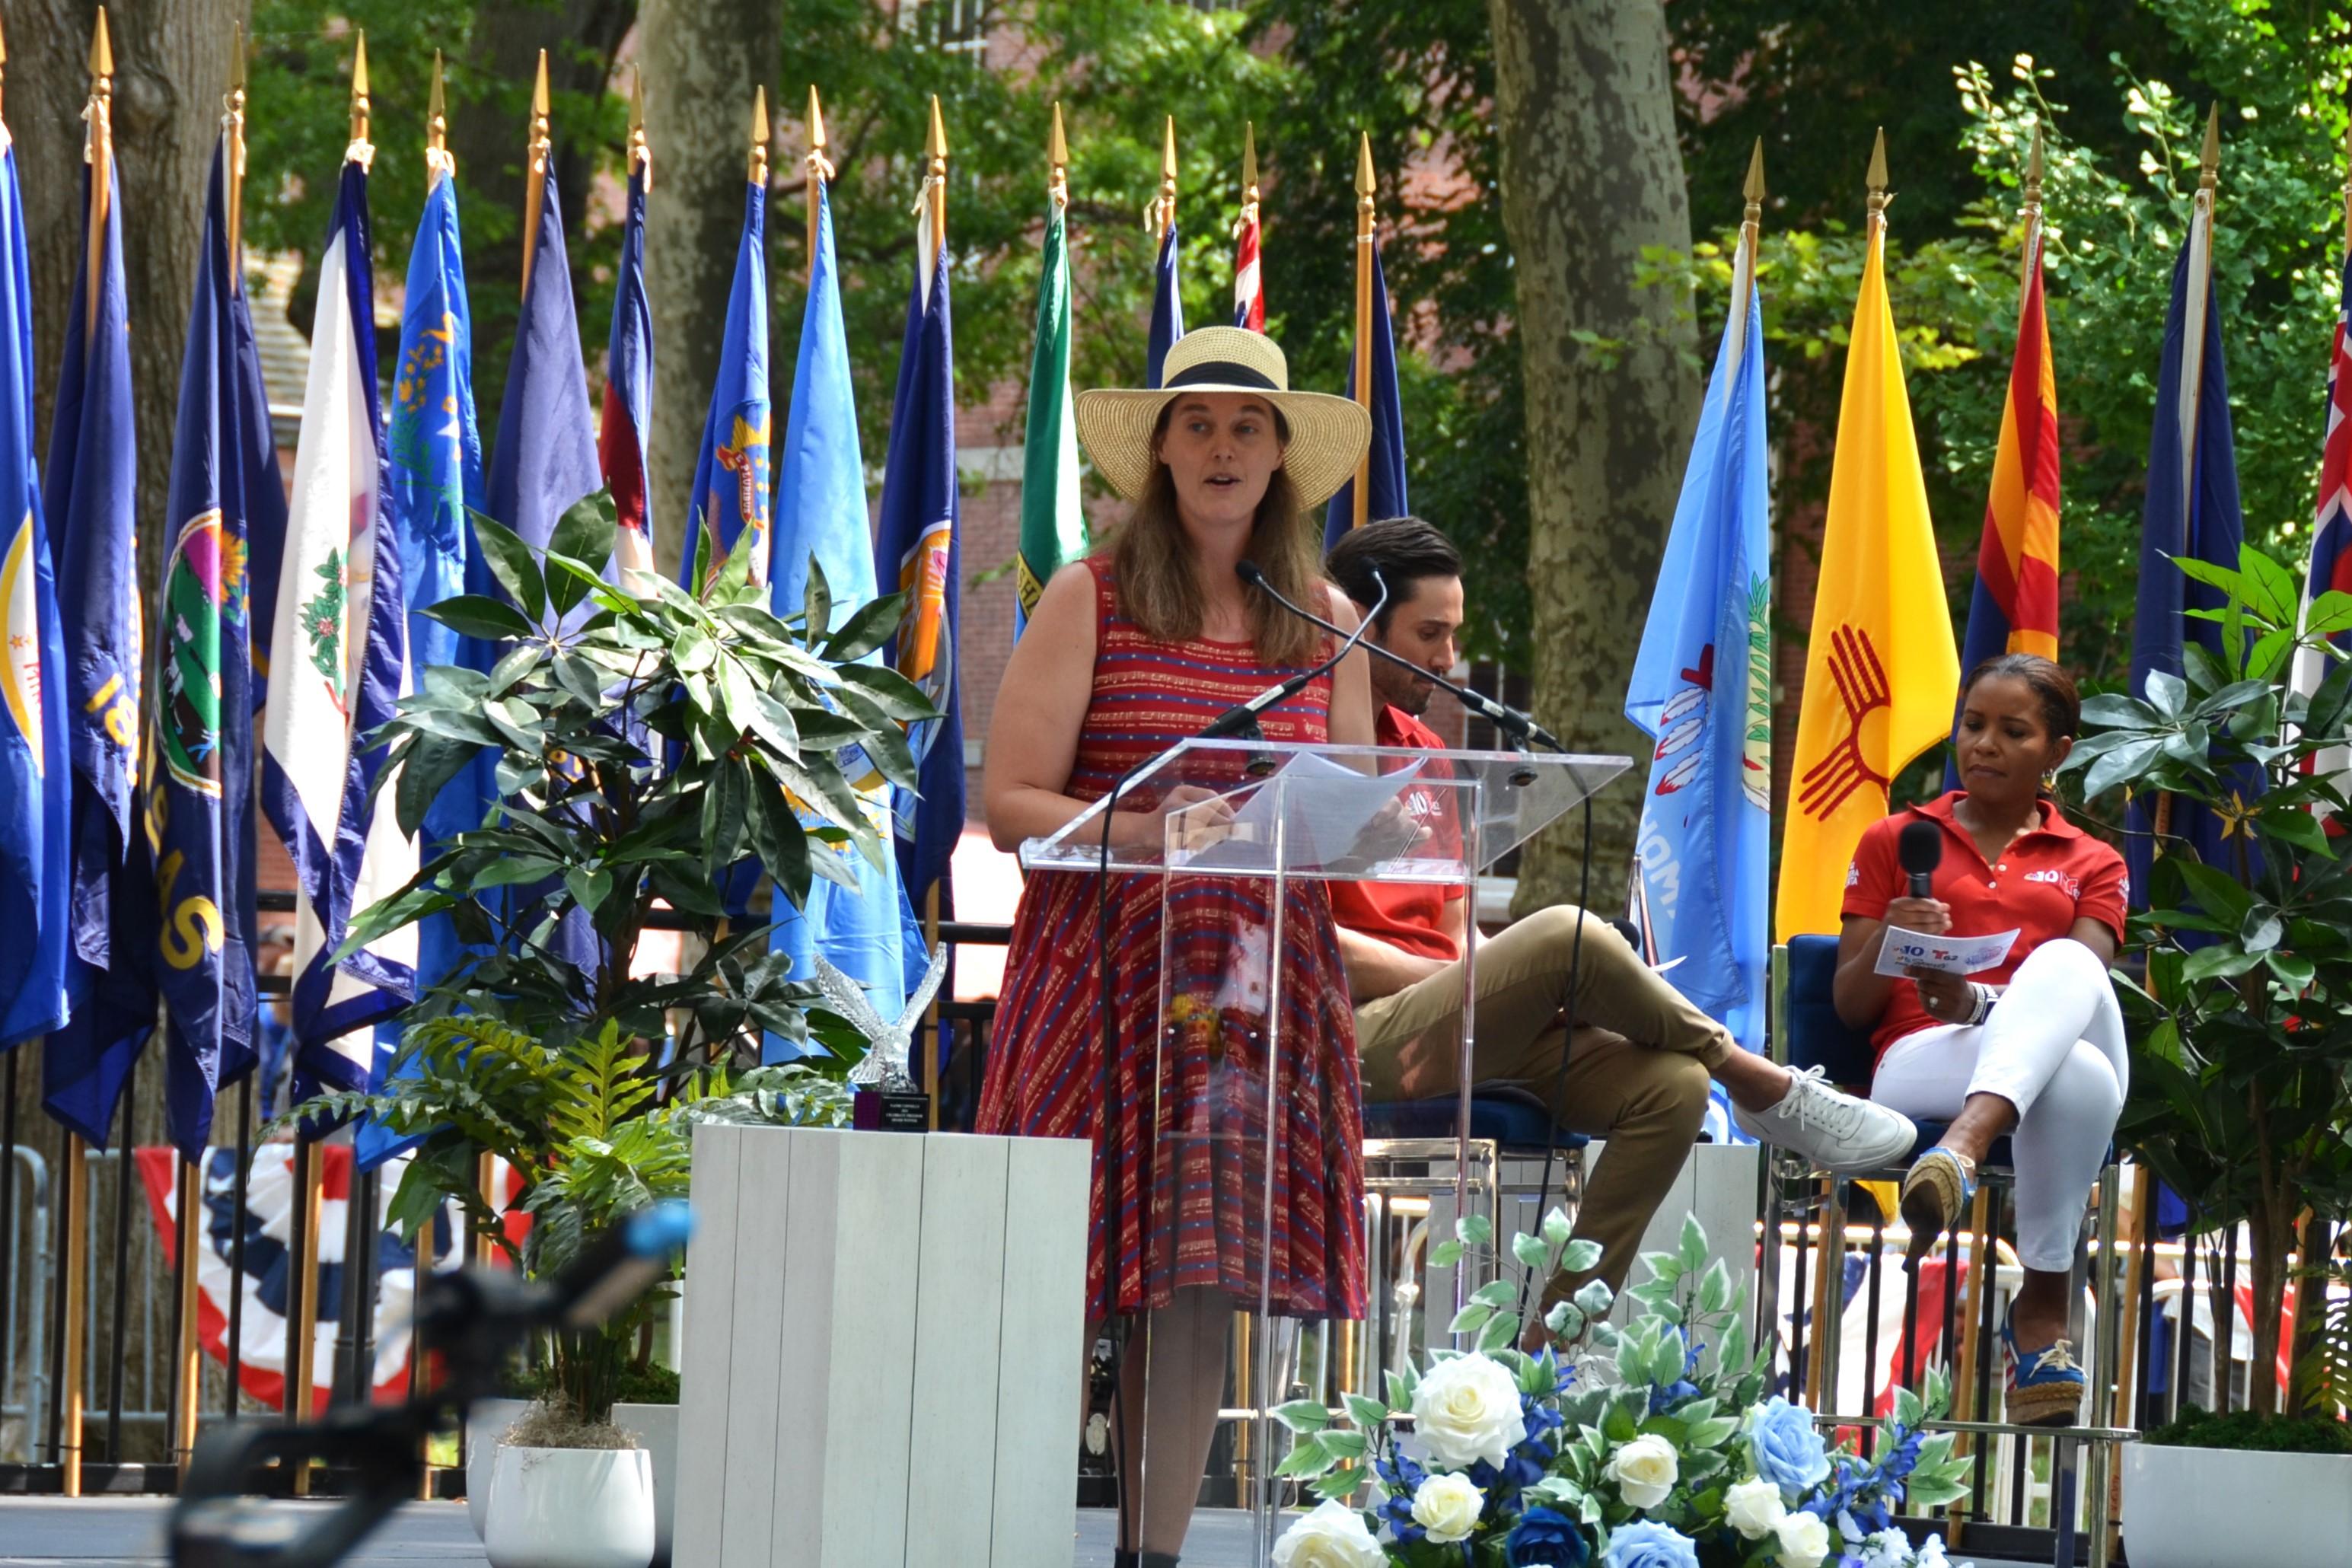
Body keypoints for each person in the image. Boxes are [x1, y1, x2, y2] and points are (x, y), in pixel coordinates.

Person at [977, 327, 1375, 1568]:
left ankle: (1152, 1557)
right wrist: (1153, 831)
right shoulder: (1088, 593)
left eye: (1246, 427)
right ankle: (1002, 1528)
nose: (1221, 446)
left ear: (1282, 461)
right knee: (1065, 1274)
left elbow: (1357, 809)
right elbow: (1011, 806)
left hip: (1253, 992)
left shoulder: (1326, 618)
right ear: (1158, 450)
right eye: (1197, 423)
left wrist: (1332, 828)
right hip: (1100, 976)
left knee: (1198, 1279)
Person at [1322, 517, 1918, 1309]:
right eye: (1429, 633)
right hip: (1350, 1033)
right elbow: (1321, 945)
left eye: (1453, 633)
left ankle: (1555, 1347)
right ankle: (1762, 1085)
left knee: (1669, 1088)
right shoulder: (1299, 745)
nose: (1448, 658)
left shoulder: (1432, 753)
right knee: (1567, 934)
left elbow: (1461, 928)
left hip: (1458, 1020)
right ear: (1358, 625)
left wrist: (1502, 980)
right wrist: (1489, 975)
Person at [1835, 652, 2128, 1427]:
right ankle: (2042, 1306)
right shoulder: (1897, 837)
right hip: (1918, 1057)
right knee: (2079, 1076)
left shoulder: (2094, 861)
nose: (1984, 743)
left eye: (2013, 729)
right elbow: (1850, 1003)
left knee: (2068, 973)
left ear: (2057, 752)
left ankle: (1961, 1149)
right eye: (1973, 724)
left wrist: (1980, 1000)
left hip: (2021, 1052)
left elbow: (2085, 982)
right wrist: (1890, 934)